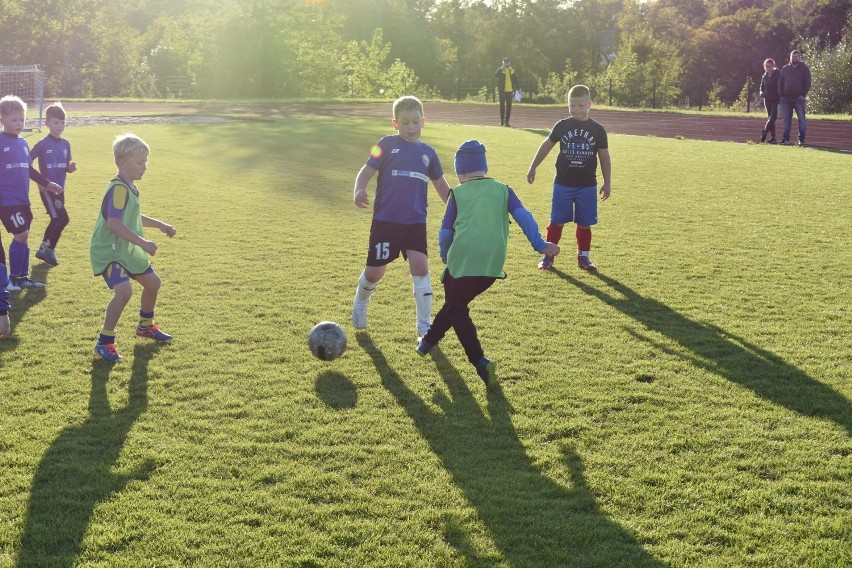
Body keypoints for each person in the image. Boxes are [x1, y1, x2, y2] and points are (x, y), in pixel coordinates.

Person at [416, 140, 559, 386]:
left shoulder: (457, 194)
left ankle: (479, 361)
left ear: (459, 172)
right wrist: (540, 244)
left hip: (462, 263)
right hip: (491, 267)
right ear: (485, 166)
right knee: (454, 304)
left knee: (457, 309)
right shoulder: (504, 189)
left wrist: (444, 252)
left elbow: (444, 231)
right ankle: (427, 343)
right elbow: (524, 216)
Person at [351, 96, 451, 338]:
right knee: (375, 272)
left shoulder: (428, 153)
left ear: (423, 121)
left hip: (415, 222)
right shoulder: (385, 144)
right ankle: (361, 304)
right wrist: (358, 189)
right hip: (385, 222)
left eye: (415, 121)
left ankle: (424, 326)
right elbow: (365, 171)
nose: (411, 127)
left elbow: (440, 185)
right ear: (395, 123)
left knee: (421, 269)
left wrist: (457, 210)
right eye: (405, 122)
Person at [90, 133, 176, 362]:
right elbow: (114, 223)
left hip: (124, 248)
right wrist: (143, 243)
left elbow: (132, 215)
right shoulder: (118, 188)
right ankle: (104, 342)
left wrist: (159, 224)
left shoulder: (129, 187)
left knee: (153, 283)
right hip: (109, 250)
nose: (144, 166)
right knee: (124, 291)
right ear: (121, 162)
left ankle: (145, 326)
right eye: (139, 162)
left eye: (146, 161)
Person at [526, 84, 611, 271]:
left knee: (584, 223)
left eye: (580, 105)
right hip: (563, 184)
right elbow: (546, 146)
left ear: (590, 104)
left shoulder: (597, 130)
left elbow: (604, 156)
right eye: (572, 106)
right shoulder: (562, 126)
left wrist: (607, 182)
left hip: (587, 185)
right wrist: (533, 166)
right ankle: (548, 256)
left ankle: (584, 257)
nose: (576, 110)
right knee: (556, 221)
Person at [0, 95, 63, 291]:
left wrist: (47, 183)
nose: (19, 124)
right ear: (1, 119)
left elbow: (28, 169)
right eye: (14, 120)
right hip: (6, 200)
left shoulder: (23, 143)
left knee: (24, 236)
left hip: (22, 199)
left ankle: (20, 277)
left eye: (22, 119)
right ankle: (12, 279)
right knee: (22, 234)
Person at [30, 102, 77, 266]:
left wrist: (70, 168)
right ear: (47, 123)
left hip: (60, 189)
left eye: (62, 123)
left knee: (56, 218)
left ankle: (43, 248)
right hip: (48, 190)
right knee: (62, 219)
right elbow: (26, 162)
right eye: (56, 122)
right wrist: (41, 182)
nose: (59, 126)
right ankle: (48, 250)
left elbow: (64, 165)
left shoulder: (65, 144)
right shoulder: (42, 144)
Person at [778, 50, 811, 146]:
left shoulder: (804, 68)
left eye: (796, 57)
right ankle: (786, 139)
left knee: (801, 119)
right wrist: (781, 95)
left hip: (799, 99)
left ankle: (801, 140)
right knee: (787, 120)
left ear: (799, 58)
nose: (794, 58)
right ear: (790, 57)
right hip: (786, 99)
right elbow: (780, 82)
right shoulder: (785, 69)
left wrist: (803, 94)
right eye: (793, 57)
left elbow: (808, 82)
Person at [759, 58, 780, 143]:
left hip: (776, 99)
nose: (768, 68)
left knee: (773, 117)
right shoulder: (764, 76)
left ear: (773, 66)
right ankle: (773, 138)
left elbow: (782, 83)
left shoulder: (778, 74)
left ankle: (764, 132)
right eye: (766, 66)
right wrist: (761, 93)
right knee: (770, 118)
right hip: (767, 99)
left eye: (770, 66)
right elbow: (761, 87)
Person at [494, 56, 520, 127]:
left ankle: (507, 122)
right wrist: (501, 68)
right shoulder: (500, 69)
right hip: (502, 90)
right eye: (505, 63)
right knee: (502, 105)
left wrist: (518, 87)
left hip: (510, 90)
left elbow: (516, 79)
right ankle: (502, 121)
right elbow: (496, 75)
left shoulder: (512, 70)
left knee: (509, 106)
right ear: (503, 63)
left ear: (509, 63)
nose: (507, 64)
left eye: (508, 63)